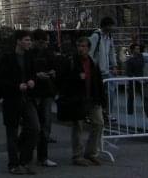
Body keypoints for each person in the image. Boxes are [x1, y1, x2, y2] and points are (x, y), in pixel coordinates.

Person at [0, 29, 40, 174]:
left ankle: (25, 160)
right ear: (18, 41)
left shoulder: (29, 57)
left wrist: (32, 81)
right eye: (26, 40)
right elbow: (0, 79)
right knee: (12, 132)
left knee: (34, 127)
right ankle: (14, 164)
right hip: (12, 99)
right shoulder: (7, 58)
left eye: (30, 40)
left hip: (27, 98)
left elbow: (33, 73)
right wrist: (16, 86)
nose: (29, 43)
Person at [61, 35, 105, 166]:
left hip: (91, 98)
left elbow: (98, 82)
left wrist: (102, 100)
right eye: (79, 46)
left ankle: (91, 153)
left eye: (83, 46)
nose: (81, 49)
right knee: (78, 127)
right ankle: (77, 155)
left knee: (98, 123)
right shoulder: (71, 61)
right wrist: (76, 77)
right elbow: (63, 80)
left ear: (88, 48)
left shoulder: (92, 62)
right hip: (77, 99)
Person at [30, 28, 58, 167]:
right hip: (36, 92)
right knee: (35, 125)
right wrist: (36, 75)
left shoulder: (48, 53)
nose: (44, 45)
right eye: (41, 42)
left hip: (45, 91)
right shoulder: (30, 54)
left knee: (45, 124)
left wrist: (53, 72)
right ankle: (33, 154)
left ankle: (42, 156)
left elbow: (55, 66)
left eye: (45, 42)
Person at [89, 16, 117, 120]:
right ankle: (97, 114)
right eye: (111, 25)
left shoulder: (109, 37)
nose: (113, 28)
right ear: (106, 26)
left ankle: (108, 113)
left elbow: (111, 52)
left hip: (106, 70)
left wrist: (114, 65)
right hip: (97, 71)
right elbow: (90, 53)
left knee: (111, 91)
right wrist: (92, 68)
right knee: (98, 94)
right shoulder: (96, 36)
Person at [125, 43, 148, 118]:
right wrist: (135, 78)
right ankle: (130, 112)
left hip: (142, 80)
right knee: (131, 97)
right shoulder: (130, 59)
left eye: (138, 48)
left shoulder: (141, 56)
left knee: (146, 97)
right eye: (136, 49)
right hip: (133, 81)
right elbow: (128, 72)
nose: (138, 50)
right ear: (132, 50)